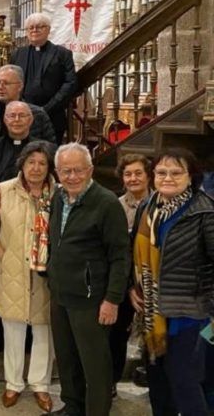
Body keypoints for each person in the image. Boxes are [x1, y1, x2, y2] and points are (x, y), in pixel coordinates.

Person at [47, 143, 129, 416]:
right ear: (57, 173)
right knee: (67, 359)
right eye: (65, 171)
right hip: (61, 294)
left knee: (95, 365)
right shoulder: (59, 197)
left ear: (90, 170)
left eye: (78, 170)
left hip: (92, 299)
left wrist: (112, 300)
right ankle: (72, 406)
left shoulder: (106, 203)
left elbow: (120, 257)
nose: (72, 176)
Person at [130, 148, 214, 416]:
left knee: (185, 384)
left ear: (191, 177)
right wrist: (134, 289)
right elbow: (138, 257)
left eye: (176, 172)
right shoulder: (148, 207)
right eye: (161, 172)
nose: (168, 177)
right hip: (154, 314)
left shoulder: (204, 212)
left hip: (190, 314)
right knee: (159, 386)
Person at [0, 102, 52, 353]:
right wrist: (0, 208)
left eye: (22, 116)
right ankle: (1, 332)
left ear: (31, 119)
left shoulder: (45, 151)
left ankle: (32, 335)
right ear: (4, 120)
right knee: (3, 284)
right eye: (11, 115)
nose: (16, 120)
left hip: (38, 235)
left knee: (38, 289)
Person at [0, 141, 56, 412]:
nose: (36, 168)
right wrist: (4, 256)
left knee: (44, 330)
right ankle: (13, 383)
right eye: (31, 163)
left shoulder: (58, 193)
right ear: (22, 164)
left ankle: (41, 385)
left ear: (49, 167)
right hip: (12, 269)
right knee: (12, 328)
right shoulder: (4, 190)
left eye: (42, 163)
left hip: (46, 274)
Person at [110, 153, 152, 394]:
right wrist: (128, 286)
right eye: (128, 174)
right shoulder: (114, 205)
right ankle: (112, 381)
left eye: (138, 173)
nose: (133, 178)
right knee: (116, 336)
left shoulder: (160, 202)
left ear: (148, 176)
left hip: (154, 280)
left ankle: (152, 378)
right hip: (125, 282)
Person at [11, 13, 77, 141]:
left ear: (48, 30)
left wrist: (48, 108)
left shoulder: (62, 54)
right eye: (31, 27)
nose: (34, 30)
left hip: (53, 116)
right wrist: (23, 107)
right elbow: (12, 81)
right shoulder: (17, 54)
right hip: (23, 116)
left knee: (49, 156)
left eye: (39, 27)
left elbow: (70, 83)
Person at [0, 65, 56, 144]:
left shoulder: (38, 115)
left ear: (20, 86)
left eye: (6, 83)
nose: (0, 87)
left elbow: (49, 149)